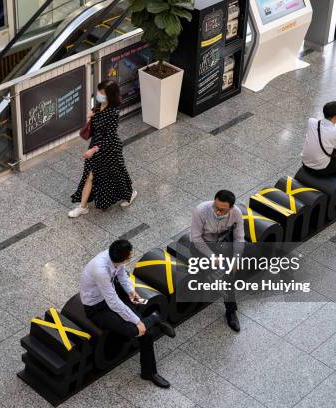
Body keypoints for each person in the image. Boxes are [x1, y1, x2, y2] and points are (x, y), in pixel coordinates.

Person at [80, 239, 176, 388]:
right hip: (96, 307)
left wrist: (131, 291)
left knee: (144, 331)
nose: (130, 257)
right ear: (121, 257)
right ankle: (155, 318)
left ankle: (149, 372)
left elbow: (122, 275)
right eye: (129, 257)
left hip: (109, 296)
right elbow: (113, 303)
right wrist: (136, 320)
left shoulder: (115, 258)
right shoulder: (100, 269)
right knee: (134, 329)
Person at [69, 80, 137, 217]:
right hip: (95, 144)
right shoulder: (98, 105)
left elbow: (109, 137)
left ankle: (130, 193)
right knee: (90, 175)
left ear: (110, 95)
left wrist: (93, 150)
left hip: (109, 148)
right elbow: (95, 126)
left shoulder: (113, 113)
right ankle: (83, 206)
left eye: (102, 92)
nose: (99, 94)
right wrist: (90, 116)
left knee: (116, 173)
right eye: (99, 91)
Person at [190, 190, 244, 332]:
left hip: (223, 243)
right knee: (223, 273)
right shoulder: (201, 210)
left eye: (222, 210)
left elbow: (239, 238)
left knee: (229, 271)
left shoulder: (236, 213)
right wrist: (211, 256)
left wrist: (236, 259)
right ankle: (230, 308)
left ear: (230, 208)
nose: (218, 212)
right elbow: (196, 239)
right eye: (216, 207)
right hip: (202, 246)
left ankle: (230, 310)